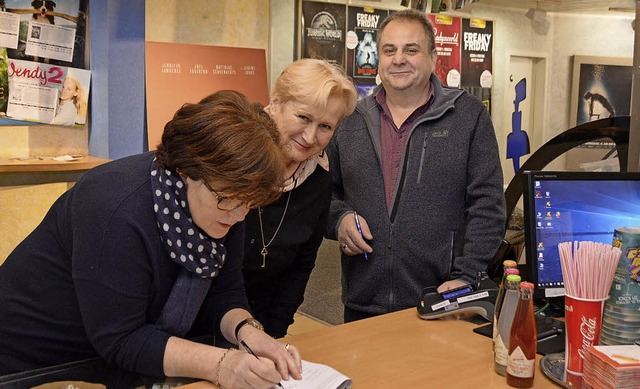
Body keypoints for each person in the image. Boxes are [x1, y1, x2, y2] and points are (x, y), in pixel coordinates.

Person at [0, 90, 303, 388]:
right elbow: (121, 338)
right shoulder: (115, 209)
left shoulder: (227, 195)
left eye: (248, 203)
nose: (238, 216)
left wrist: (248, 332)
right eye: (227, 200)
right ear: (186, 171)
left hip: (114, 364)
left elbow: (224, 291)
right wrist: (221, 364)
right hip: (31, 364)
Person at [325, 9, 506, 323]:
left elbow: (488, 205)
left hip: (443, 300)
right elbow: (321, 194)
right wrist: (338, 219)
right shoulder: (349, 118)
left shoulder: (468, 117)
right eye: (389, 50)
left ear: (433, 57)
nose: (399, 59)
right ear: (378, 57)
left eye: (411, 50)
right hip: (362, 303)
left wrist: (467, 276)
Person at [242, 59, 357, 338]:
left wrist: (274, 334)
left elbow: (301, 264)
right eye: (303, 118)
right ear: (277, 101)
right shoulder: (235, 156)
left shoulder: (318, 177)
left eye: (325, 127)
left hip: (263, 325)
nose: (310, 137)